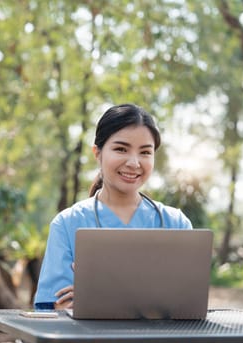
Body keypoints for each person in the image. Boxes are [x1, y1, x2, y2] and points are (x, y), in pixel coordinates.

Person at [34, 103, 193, 310]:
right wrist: (148, 298)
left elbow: (186, 304)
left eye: (145, 152)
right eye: (121, 149)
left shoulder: (176, 224)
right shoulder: (67, 224)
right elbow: (59, 308)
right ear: (97, 153)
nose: (134, 163)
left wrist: (97, 297)